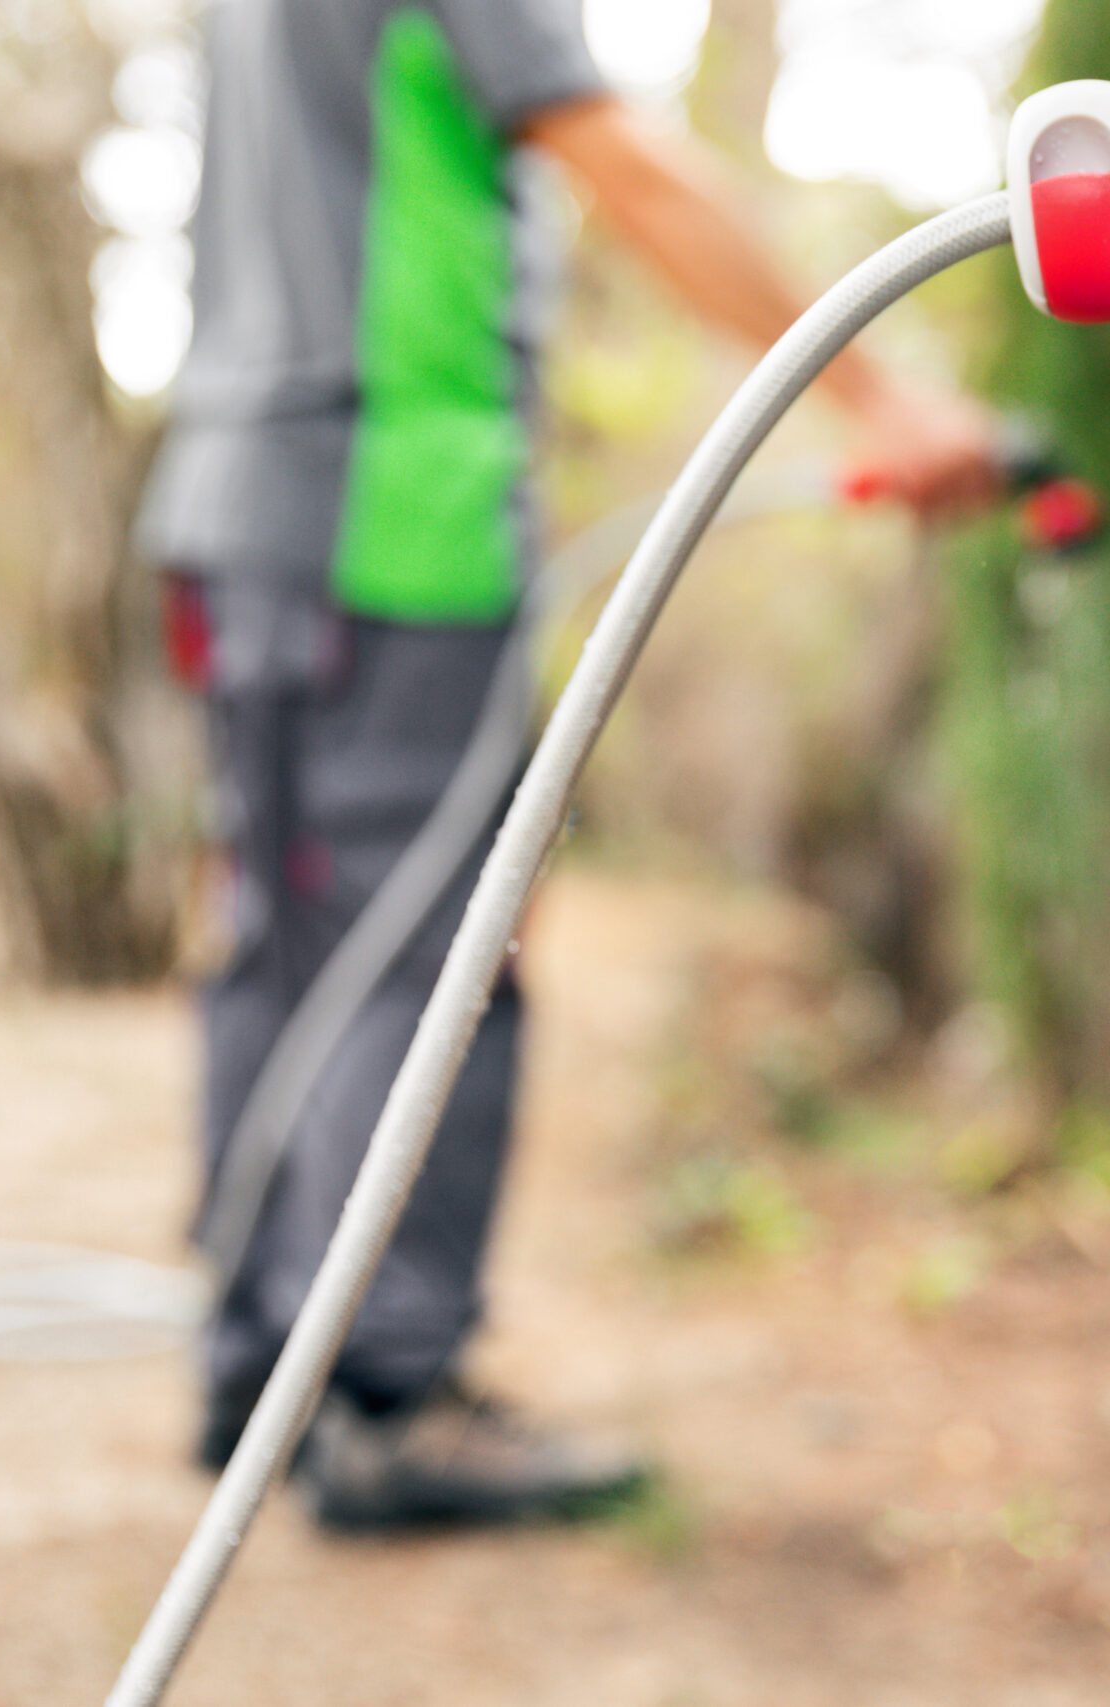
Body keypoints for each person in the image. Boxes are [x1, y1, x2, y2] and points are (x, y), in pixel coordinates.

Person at [134, 0, 998, 1531]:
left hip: (235, 507)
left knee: (286, 946)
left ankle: (264, 1370)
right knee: (423, 962)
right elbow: (635, 172)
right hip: (392, 509)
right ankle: (393, 1399)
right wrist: (887, 400)